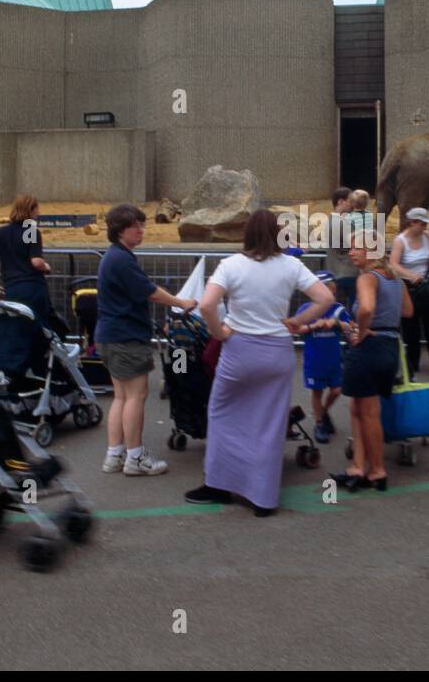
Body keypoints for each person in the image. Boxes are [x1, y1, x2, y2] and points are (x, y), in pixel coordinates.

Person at [184, 211, 335, 516]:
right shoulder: (291, 265)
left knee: (223, 413)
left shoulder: (231, 265)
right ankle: (263, 498)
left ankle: (218, 485)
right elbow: (324, 298)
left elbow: (208, 304)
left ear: (247, 233)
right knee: (269, 424)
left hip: (239, 350)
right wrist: (297, 321)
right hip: (277, 351)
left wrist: (220, 331)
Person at [96, 203, 196, 477]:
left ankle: (114, 455)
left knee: (120, 396)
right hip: (126, 338)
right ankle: (135, 457)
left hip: (109, 336)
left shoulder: (115, 257)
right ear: (119, 230)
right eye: (134, 226)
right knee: (135, 397)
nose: (141, 230)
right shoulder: (121, 260)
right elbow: (150, 292)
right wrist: (181, 302)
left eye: (142, 224)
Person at [327, 232, 413, 490]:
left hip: (368, 348)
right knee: (364, 410)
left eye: (357, 248)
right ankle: (360, 467)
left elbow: (366, 308)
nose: (351, 253)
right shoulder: (396, 279)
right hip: (389, 348)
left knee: (365, 412)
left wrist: (362, 330)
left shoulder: (366, 278)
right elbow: (407, 311)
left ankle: (375, 470)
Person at [0, 194, 52, 375]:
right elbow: (35, 261)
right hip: (32, 287)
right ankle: (42, 371)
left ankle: (14, 370)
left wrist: (2, 267)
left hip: (12, 288)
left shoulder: (3, 231)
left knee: (18, 331)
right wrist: (47, 266)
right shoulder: (30, 230)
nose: (38, 212)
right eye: (36, 209)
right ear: (30, 210)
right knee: (40, 331)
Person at [390, 207, 429, 376]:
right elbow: (394, 264)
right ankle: (413, 362)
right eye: (422, 224)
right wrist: (410, 275)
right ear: (412, 222)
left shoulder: (426, 236)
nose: (425, 227)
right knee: (411, 327)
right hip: (410, 287)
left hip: (427, 285)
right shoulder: (400, 240)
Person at [303, 271, 352, 442]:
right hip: (314, 358)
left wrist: (336, 323)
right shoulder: (306, 309)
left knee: (338, 389)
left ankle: (322, 412)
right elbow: (298, 329)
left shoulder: (337, 309)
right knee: (316, 391)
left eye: (331, 287)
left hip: (333, 357)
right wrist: (313, 326)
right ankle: (319, 423)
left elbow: (350, 327)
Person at [322, 187, 358, 302]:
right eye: (351, 201)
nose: (353, 205)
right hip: (348, 273)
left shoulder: (330, 220)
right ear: (340, 202)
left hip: (335, 272)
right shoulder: (342, 223)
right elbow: (355, 244)